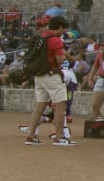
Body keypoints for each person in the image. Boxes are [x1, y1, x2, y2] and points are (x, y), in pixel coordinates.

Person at [21, 17, 75, 146]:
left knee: (39, 108)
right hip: (52, 76)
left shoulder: (41, 36)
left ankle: (31, 136)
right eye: (63, 28)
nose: (64, 31)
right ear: (60, 27)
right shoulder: (55, 40)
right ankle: (59, 137)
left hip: (39, 76)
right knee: (60, 108)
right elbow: (60, 60)